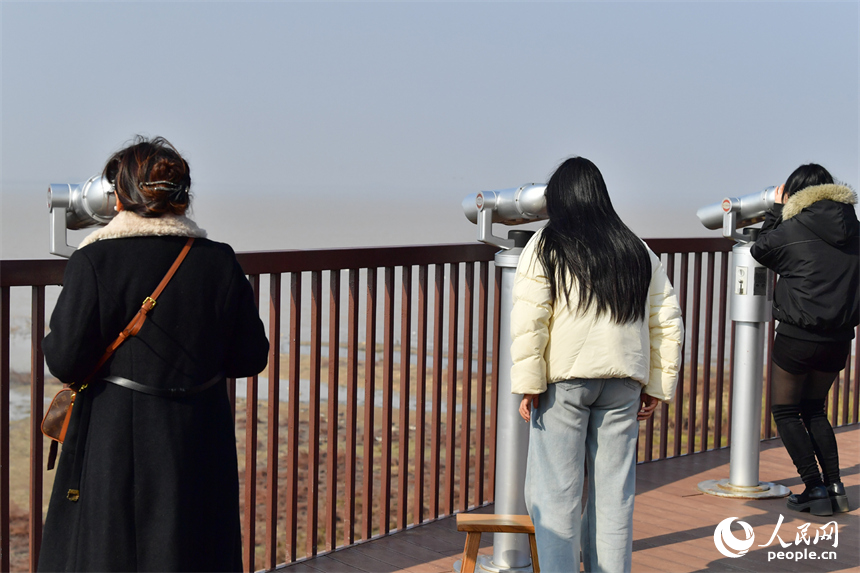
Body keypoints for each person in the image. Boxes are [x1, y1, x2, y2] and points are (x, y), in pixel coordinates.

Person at [38, 136, 269, 572]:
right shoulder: (219, 261)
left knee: (114, 548)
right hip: (200, 435)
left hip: (116, 435)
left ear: (119, 196)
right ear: (183, 199)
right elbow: (250, 357)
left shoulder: (94, 261)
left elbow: (64, 359)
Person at [511, 157, 684, 573]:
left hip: (566, 385)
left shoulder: (547, 244)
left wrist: (530, 383)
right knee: (613, 497)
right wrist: (657, 386)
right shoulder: (635, 247)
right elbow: (667, 318)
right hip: (624, 383)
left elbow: (530, 318)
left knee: (556, 496)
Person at [750, 164, 858, 516]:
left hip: (797, 337)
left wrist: (776, 212)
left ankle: (813, 488)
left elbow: (760, 249)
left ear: (796, 195)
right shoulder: (855, 230)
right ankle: (835, 487)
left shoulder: (792, 227)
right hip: (839, 339)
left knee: (785, 411)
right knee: (815, 408)